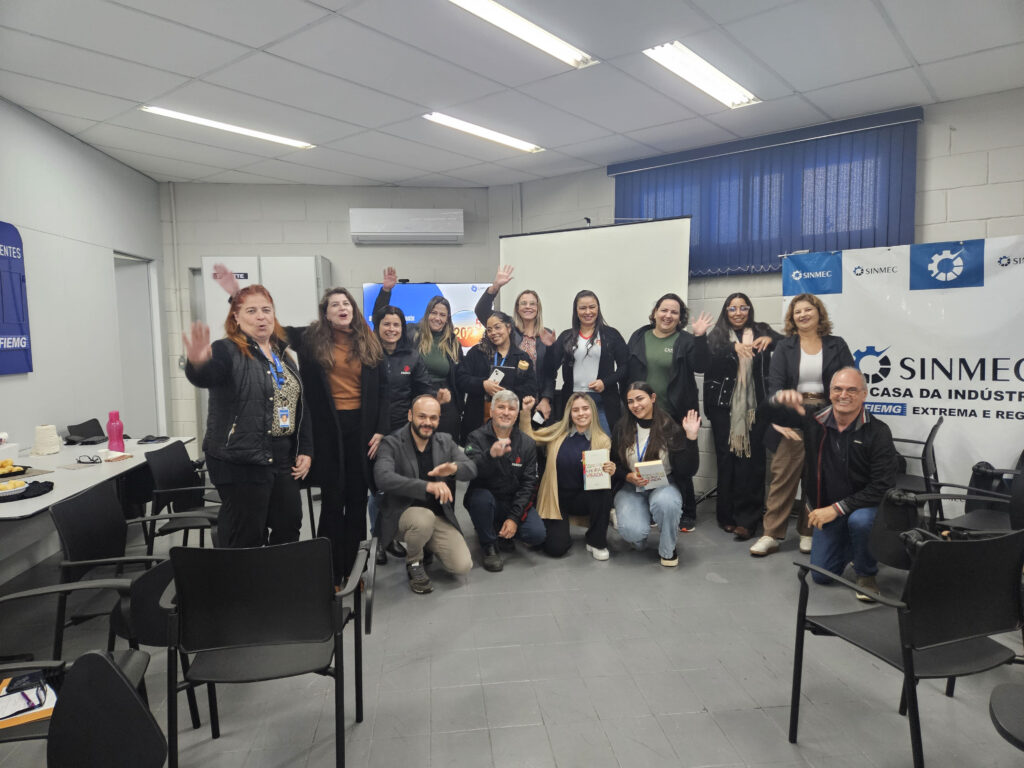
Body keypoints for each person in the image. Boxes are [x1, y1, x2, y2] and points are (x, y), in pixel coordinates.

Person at [211, 265, 387, 582]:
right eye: (335, 304)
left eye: (346, 303)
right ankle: (329, 573)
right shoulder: (309, 338)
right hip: (327, 431)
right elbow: (266, 327)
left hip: (361, 431)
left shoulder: (369, 342)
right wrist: (238, 298)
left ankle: (355, 572)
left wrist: (381, 429)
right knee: (333, 501)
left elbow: (385, 391)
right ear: (325, 314)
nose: (342, 308)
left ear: (353, 309)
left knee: (357, 501)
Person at [182, 285, 312, 548]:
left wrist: (305, 449)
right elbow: (207, 375)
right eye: (251, 311)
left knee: (289, 524)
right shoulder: (226, 349)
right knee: (246, 535)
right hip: (240, 459)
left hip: (282, 457)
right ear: (236, 317)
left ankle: (277, 574)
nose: (261, 316)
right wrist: (197, 362)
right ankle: (244, 576)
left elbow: (299, 404)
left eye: (266, 310)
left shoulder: (282, 353)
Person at [763, 367, 898, 601]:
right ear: (830, 392)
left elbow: (882, 487)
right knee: (821, 576)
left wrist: (836, 509)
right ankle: (854, 545)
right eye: (838, 389)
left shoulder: (878, 432)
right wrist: (776, 400)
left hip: (862, 508)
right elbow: (768, 415)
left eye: (851, 390)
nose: (843, 395)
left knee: (860, 522)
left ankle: (866, 573)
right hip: (828, 507)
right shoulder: (814, 420)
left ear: (864, 394)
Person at [750, 293, 855, 558]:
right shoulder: (785, 347)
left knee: (816, 479)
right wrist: (777, 414)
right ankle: (771, 534)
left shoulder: (837, 344)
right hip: (791, 418)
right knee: (782, 478)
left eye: (808, 310)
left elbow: (850, 380)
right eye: (797, 312)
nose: (803, 315)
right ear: (792, 318)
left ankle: (808, 531)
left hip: (827, 419)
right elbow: (774, 388)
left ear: (819, 313)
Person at [374, 395, 478, 594]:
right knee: (424, 519)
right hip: (402, 515)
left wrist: (454, 468)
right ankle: (414, 562)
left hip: (437, 516)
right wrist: (426, 487)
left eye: (433, 418)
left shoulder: (445, 441)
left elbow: (471, 469)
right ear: (410, 415)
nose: (427, 422)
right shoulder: (391, 443)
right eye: (422, 416)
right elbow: (383, 478)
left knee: (462, 566)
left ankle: (425, 544)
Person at [625, 293, 712, 531]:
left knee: (680, 464)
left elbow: (701, 366)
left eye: (674, 312)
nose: (668, 315)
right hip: (643, 413)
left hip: (676, 412)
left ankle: (688, 513)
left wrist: (700, 337)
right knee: (650, 460)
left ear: (680, 317)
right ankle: (655, 509)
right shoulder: (639, 336)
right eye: (664, 310)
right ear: (655, 312)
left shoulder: (685, 340)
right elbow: (628, 371)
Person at [703, 292, 781, 541]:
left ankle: (748, 520)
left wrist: (771, 339)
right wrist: (732, 348)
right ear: (726, 311)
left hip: (754, 408)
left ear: (749, 310)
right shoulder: (716, 335)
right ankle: (726, 516)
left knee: (752, 461)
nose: (738, 313)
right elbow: (705, 359)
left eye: (743, 308)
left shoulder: (761, 329)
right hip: (722, 407)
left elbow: (787, 343)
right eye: (732, 308)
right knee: (726, 461)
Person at [371, 305, 436, 564]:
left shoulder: (412, 356)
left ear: (402, 328)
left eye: (396, 324)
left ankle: (391, 537)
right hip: (374, 433)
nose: (391, 329)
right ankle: (377, 540)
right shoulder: (368, 354)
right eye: (386, 324)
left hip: (403, 433)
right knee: (378, 488)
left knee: (399, 487)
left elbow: (424, 390)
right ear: (377, 327)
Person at [611, 382, 701, 567]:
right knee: (633, 532)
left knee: (667, 504)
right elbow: (614, 463)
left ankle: (668, 549)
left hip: (663, 484)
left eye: (640, 399)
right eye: (630, 401)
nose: (635, 405)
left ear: (652, 398)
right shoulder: (621, 428)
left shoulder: (670, 427)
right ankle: (638, 535)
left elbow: (687, 470)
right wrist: (627, 476)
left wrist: (691, 438)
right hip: (632, 486)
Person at [519, 392, 615, 560]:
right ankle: (559, 532)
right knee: (555, 549)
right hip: (557, 497)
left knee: (603, 492)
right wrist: (526, 413)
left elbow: (602, 473)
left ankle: (596, 541)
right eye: (575, 410)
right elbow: (529, 439)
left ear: (592, 411)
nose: (581, 413)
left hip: (584, 497)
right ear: (569, 413)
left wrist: (610, 468)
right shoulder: (558, 431)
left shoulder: (603, 439)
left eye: (585, 409)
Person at [374, 268, 463, 438]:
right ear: (427, 313)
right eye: (434, 313)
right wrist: (386, 291)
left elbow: (459, 377)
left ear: (447, 319)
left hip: (444, 399)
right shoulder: (411, 333)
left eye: (442, 315)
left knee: (445, 444)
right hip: (415, 397)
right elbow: (381, 318)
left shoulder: (453, 343)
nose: (437, 318)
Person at [463, 390, 544, 572]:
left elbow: (529, 484)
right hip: (485, 498)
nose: (506, 412)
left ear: (517, 414)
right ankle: (489, 545)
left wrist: (514, 518)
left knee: (536, 534)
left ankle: (501, 529)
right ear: (491, 411)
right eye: (501, 407)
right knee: (481, 500)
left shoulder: (527, 444)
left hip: (512, 501)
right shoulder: (475, 437)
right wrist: (490, 455)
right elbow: (470, 471)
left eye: (511, 409)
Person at [474, 264, 557, 423]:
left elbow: (550, 373)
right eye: (523, 303)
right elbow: (481, 311)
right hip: (506, 399)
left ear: (538, 308)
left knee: (533, 437)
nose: (528, 307)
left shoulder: (546, 335)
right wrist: (495, 287)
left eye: (532, 304)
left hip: (534, 401)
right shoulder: (508, 328)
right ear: (517, 308)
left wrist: (546, 399)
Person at [548, 290, 628, 435]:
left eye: (592, 307)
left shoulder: (611, 335)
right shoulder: (566, 336)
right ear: (576, 310)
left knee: (604, 442)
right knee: (574, 442)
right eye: (583, 308)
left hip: (603, 401)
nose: (588, 312)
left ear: (598, 308)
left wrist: (605, 382)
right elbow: (551, 368)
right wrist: (550, 348)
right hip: (573, 400)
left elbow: (625, 366)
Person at [458, 310, 537, 438]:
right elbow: (461, 379)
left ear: (508, 328)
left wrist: (507, 391)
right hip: (478, 419)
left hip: (509, 421)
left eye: (497, 327)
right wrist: (483, 385)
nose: (493, 333)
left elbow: (531, 388)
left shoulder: (522, 357)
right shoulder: (477, 353)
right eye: (489, 330)